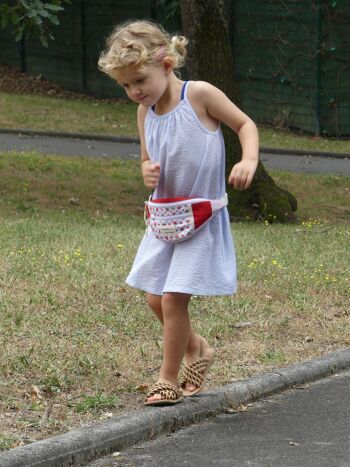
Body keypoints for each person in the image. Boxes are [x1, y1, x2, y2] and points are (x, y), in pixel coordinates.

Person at [98, 20, 259, 406]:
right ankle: (198, 348)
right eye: (126, 86)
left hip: (201, 217)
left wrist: (249, 160)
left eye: (139, 80)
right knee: (156, 299)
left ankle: (166, 378)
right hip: (165, 218)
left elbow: (245, 124)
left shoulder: (199, 95)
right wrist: (146, 170)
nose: (135, 92)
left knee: (172, 300)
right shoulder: (145, 113)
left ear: (167, 64)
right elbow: (147, 160)